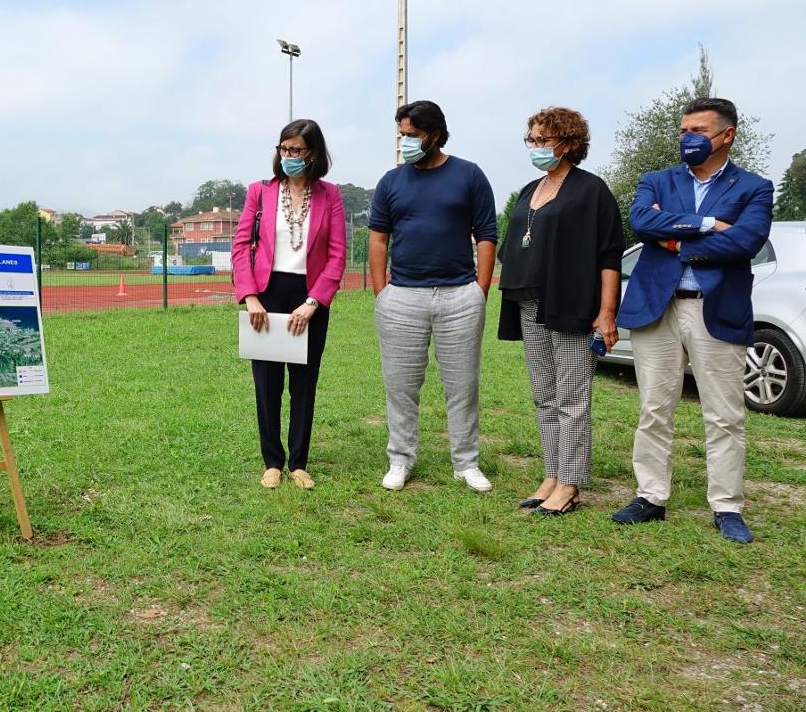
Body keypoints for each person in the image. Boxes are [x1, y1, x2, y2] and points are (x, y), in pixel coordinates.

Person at [611, 97, 773, 543]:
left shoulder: (754, 187)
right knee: (654, 408)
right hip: (657, 307)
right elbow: (641, 222)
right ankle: (650, 496)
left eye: (698, 131)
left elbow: (745, 241)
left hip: (715, 309)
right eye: (683, 130)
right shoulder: (656, 180)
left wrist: (676, 240)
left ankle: (726, 506)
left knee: (724, 415)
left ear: (727, 135)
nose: (687, 138)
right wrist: (709, 224)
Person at [497, 107, 623, 515]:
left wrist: (607, 312)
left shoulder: (591, 190)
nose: (535, 146)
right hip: (529, 302)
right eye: (531, 140)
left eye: (543, 140)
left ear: (567, 143)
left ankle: (570, 484)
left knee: (572, 397)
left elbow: (609, 255)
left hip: (571, 304)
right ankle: (552, 475)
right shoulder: (530, 189)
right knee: (544, 396)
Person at [370, 100, 498, 492]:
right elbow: (378, 240)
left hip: (460, 296)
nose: (405, 142)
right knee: (401, 387)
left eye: (412, 135)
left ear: (435, 134)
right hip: (402, 298)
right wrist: (382, 294)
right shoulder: (391, 182)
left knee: (462, 386)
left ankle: (466, 463)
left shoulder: (469, 175)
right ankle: (400, 460)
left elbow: (487, 234)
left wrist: (479, 290)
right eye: (401, 135)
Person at [233, 119, 347, 490]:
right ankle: (272, 462)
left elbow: (337, 254)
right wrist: (250, 296)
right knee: (267, 384)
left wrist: (314, 302)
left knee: (304, 384)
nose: (288, 156)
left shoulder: (330, 195)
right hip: (266, 296)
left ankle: (298, 463)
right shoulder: (259, 192)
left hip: (309, 298)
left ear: (312, 154)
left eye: (296, 150)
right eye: (283, 149)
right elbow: (240, 247)